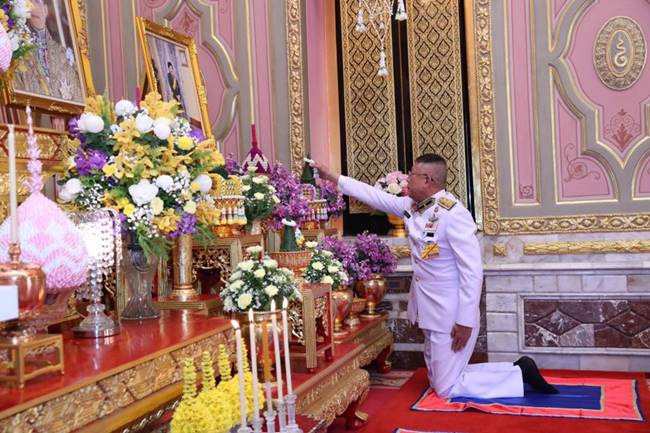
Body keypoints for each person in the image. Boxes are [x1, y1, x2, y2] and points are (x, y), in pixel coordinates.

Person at [313, 154, 558, 399]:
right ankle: (516, 371)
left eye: (412, 174)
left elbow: (472, 271)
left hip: (451, 315)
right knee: (438, 379)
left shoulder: (453, 214)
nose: (407, 178)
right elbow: (375, 196)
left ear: (427, 180)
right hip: (429, 309)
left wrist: (464, 320)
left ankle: (516, 375)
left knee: (446, 388)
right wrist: (333, 176)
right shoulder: (413, 206)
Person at [14, 0, 83, 102]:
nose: (33, 8)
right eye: (29, 3)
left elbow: (77, 100)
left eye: (37, 2)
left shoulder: (62, 55)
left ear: (46, 10)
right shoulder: (18, 52)